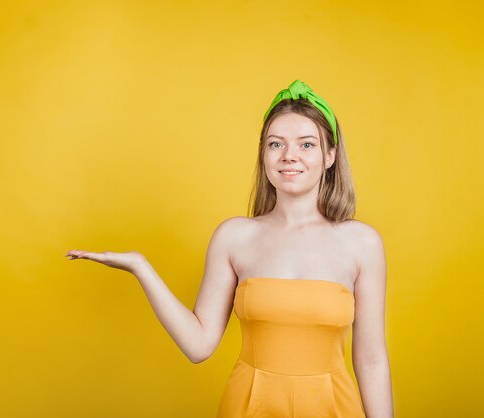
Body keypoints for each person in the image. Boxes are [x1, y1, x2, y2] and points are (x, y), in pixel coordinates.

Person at [66, 79, 394, 417]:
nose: (289, 156)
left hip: (334, 407)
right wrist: (141, 267)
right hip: (249, 407)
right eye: (275, 143)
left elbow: (371, 358)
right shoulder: (234, 237)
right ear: (263, 154)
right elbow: (198, 345)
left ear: (330, 155)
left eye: (306, 145)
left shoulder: (362, 243)